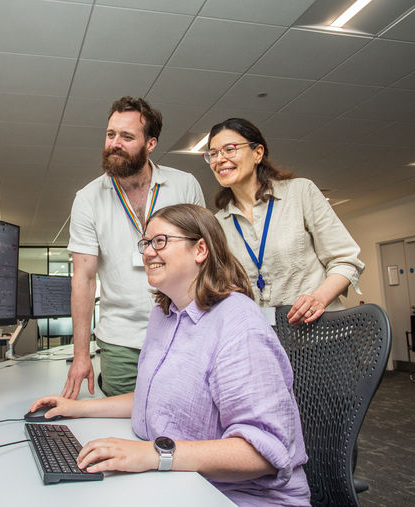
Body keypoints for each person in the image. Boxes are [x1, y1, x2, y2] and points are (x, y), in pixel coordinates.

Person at [30, 204, 309, 506]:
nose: (148, 252)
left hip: (237, 497)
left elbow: (265, 450)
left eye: (160, 241)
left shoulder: (239, 323)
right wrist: (77, 408)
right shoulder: (164, 316)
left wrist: (153, 454)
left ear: (200, 249)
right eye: (146, 243)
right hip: (179, 481)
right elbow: (152, 399)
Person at [63, 96, 204, 399]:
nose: (115, 143)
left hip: (183, 329)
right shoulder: (88, 198)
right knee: (124, 426)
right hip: (120, 340)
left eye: (127, 137)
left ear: (150, 143)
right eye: (110, 134)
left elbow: (203, 258)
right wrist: (81, 355)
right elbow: (84, 279)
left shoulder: (185, 185)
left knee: (184, 417)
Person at [205, 118, 364, 325]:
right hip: (263, 338)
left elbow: (346, 260)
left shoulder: (300, 192)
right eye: (213, 154)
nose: (220, 159)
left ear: (257, 153)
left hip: (319, 337)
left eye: (230, 149)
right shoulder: (218, 223)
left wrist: (318, 298)